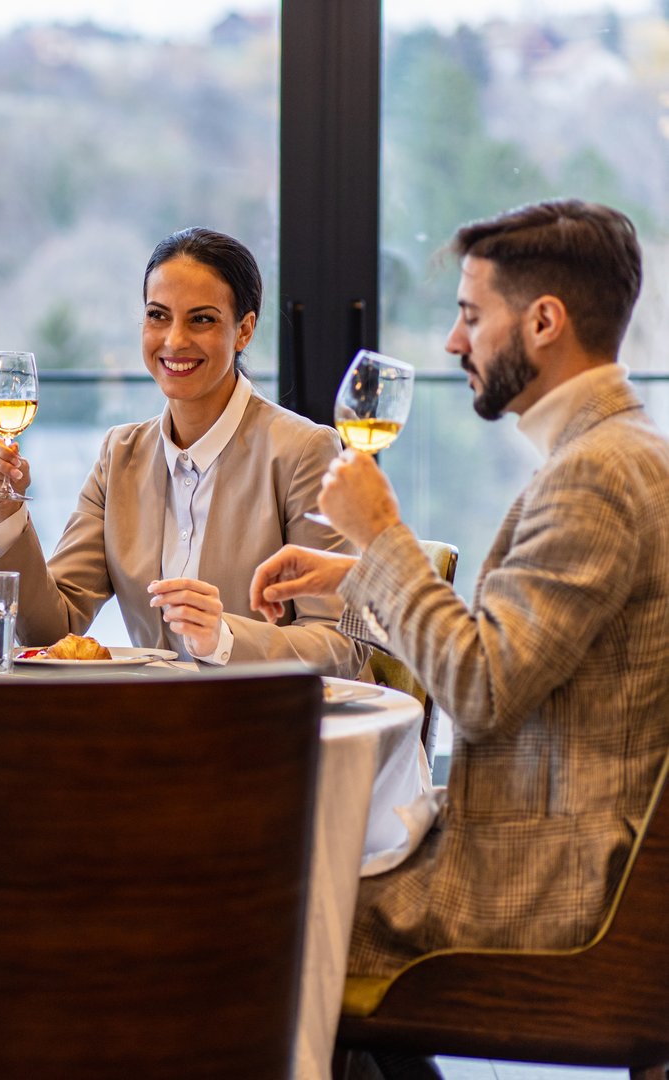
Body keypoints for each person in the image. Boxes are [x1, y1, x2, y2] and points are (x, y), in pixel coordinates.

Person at [250, 199, 669, 981]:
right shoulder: (624, 448)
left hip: (553, 890)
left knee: (253, 909)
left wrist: (379, 536)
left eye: (472, 316)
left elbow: (478, 688)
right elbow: (517, 648)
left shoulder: (595, 473)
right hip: (568, 860)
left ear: (544, 322)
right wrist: (354, 578)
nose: (452, 341)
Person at [0, 226, 365, 675]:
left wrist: (224, 638)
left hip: (272, 727)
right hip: (159, 723)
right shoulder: (119, 456)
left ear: (244, 330)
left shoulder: (303, 452)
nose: (174, 340)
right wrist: (6, 511)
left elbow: (342, 644)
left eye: (201, 319)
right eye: (158, 316)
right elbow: (50, 632)